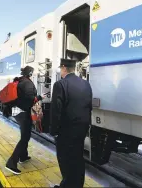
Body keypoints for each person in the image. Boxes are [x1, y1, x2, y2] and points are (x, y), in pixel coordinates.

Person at [50, 59, 93, 188]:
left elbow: (56, 111)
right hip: (82, 128)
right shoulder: (86, 84)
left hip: (66, 131)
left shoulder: (60, 84)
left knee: (65, 160)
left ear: (64, 68)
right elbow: (89, 106)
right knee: (78, 158)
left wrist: (54, 131)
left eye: (60, 69)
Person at [6, 66, 43, 174]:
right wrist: (40, 97)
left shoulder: (20, 81)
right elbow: (30, 100)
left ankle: (23, 156)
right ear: (30, 73)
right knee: (25, 137)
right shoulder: (27, 83)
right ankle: (11, 163)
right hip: (22, 112)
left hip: (16, 111)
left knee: (24, 134)